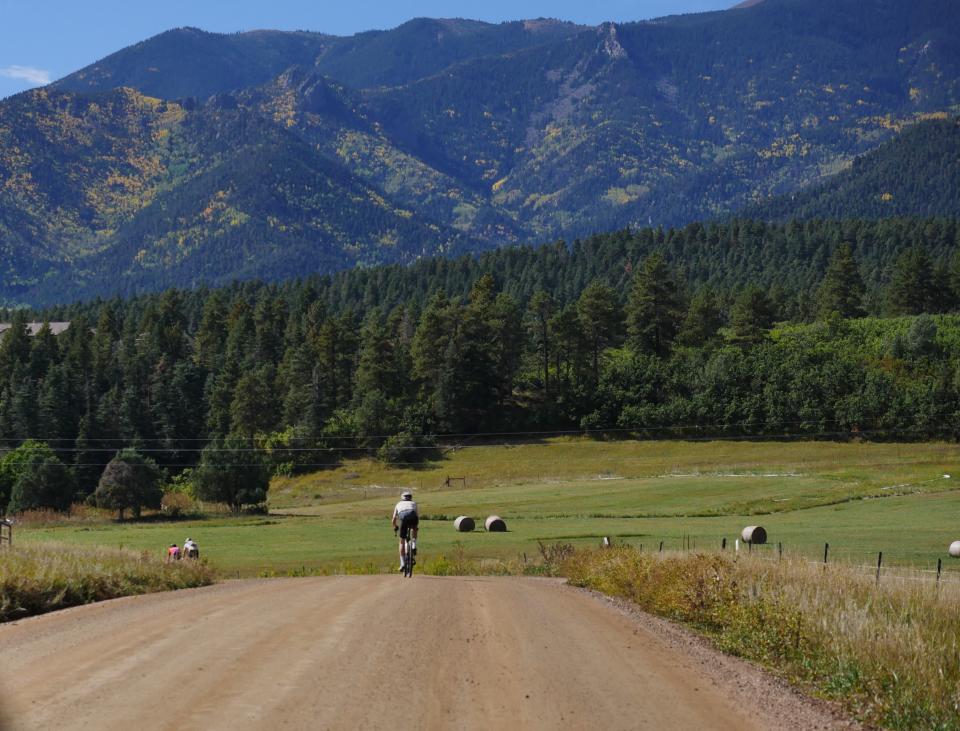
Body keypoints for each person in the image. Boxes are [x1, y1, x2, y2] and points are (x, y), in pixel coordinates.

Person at [391, 490, 419, 572]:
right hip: (413, 517)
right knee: (415, 528)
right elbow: (417, 516)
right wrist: (416, 527)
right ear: (410, 498)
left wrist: (395, 526)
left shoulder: (398, 504)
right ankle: (414, 544)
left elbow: (393, 519)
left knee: (401, 542)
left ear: (402, 498)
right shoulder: (414, 503)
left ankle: (402, 563)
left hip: (404, 518)